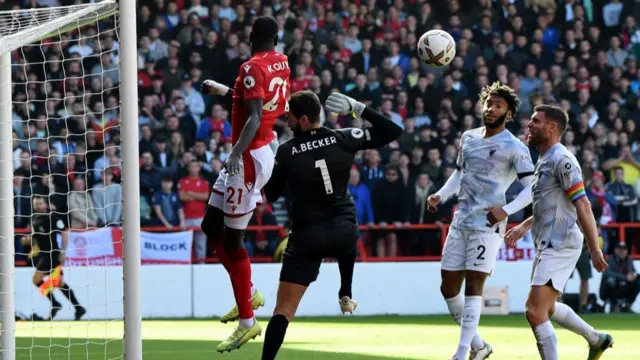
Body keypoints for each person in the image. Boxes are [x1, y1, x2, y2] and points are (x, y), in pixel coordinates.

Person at [260, 91, 402, 360]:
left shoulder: (287, 150)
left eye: (290, 116)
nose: (286, 121)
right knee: (347, 228)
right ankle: (345, 291)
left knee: (283, 311)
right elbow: (393, 130)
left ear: (303, 119)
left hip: (307, 237)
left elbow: (272, 195)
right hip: (343, 232)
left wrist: (271, 161)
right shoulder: (343, 136)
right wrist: (359, 108)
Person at [199, 16, 291, 353]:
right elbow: (263, 107)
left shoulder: (252, 66)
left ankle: (247, 322)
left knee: (233, 239)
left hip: (249, 156)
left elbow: (253, 116)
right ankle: (248, 293)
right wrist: (224, 90)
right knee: (210, 225)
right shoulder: (280, 62)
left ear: (252, 36)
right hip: (261, 146)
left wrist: (235, 154)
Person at [427, 82, 535, 360]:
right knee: (447, 288)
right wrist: (440, 195)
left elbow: (532, 188)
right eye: (488, 103)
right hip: (461, 219)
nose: (491, 108)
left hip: (488, 224)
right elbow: (459, 174)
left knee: (474, 284)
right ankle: (478, 345)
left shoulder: (515, 147)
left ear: (509, 114)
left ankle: (461, 354)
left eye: (498, 105)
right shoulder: (469, 137)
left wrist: (507, 210)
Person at [505, 104, 612, 360]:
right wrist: (524, 226)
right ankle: (597, 340)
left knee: (534, 311)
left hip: (560, 243)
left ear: (552, 128)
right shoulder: (544, 158)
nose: (528, 125)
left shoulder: (562, 160)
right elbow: (552, 205)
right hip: (547, 243)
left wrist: (594, 248)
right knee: (547, 308)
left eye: (535, 121)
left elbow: (582, 203)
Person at [29, 196, 85, 320]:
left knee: (37, 278)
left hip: (53, 254)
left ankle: (56, 304)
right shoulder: (34, 219)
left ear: (45, 205)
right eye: (36, 204)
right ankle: (78, 308)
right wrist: (28, 240)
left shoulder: (52, 217)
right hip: (43, 254)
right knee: (59, 283)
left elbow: (64, 233)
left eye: (40, 203)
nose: (38, 206)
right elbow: (35, 238)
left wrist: (63, 253)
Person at [600, 242, 639, 312]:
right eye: (620, 249)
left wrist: (633, 276)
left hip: (624, 288)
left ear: (627, 251)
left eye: (624, 249)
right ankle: (614, 305)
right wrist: (625, 277)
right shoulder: (610, 259)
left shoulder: (629, 260)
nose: (622, 252)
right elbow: (607, 273)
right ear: (615, 250)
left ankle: (628, 304)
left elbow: (633, 272)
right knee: (610, 281)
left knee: (638, 282)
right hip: (609, 290)